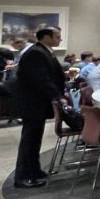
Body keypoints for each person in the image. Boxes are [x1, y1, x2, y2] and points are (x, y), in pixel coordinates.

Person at [12, 27, 65, 188]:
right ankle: (23, 176)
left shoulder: (43, 51)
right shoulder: (36, 53)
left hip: (38, 104)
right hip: (33, 103)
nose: (60, 39)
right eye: (57, 36)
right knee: (30, 140)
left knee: (35, 139)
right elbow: (40, 79)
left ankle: (34, 170)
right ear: (46, 37)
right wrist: (57, 96)